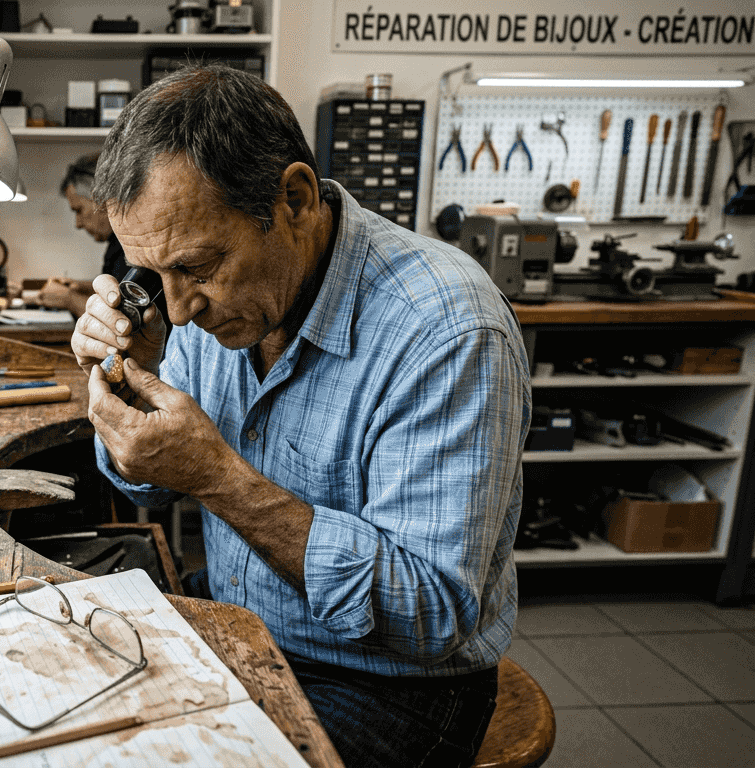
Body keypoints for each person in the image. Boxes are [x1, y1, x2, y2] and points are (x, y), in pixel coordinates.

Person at [71, 64, 530, 768]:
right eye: (152, 275)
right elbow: (150, 487)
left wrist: (220, 479)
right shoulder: (195, 307)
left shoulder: (446, 329)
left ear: (294, 198)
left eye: (197, 266)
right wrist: (131, 385)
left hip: (385, 682)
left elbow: (433, 613)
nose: (181, 307)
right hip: (240, 623)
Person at [39, 155, 166, 324]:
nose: (78, 224)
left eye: (79, 210)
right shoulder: (117, 243)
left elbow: (124, 319)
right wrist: (83, 287)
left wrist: (69, 299)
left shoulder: (133, 244)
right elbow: (121, 292)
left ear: (104, 200)